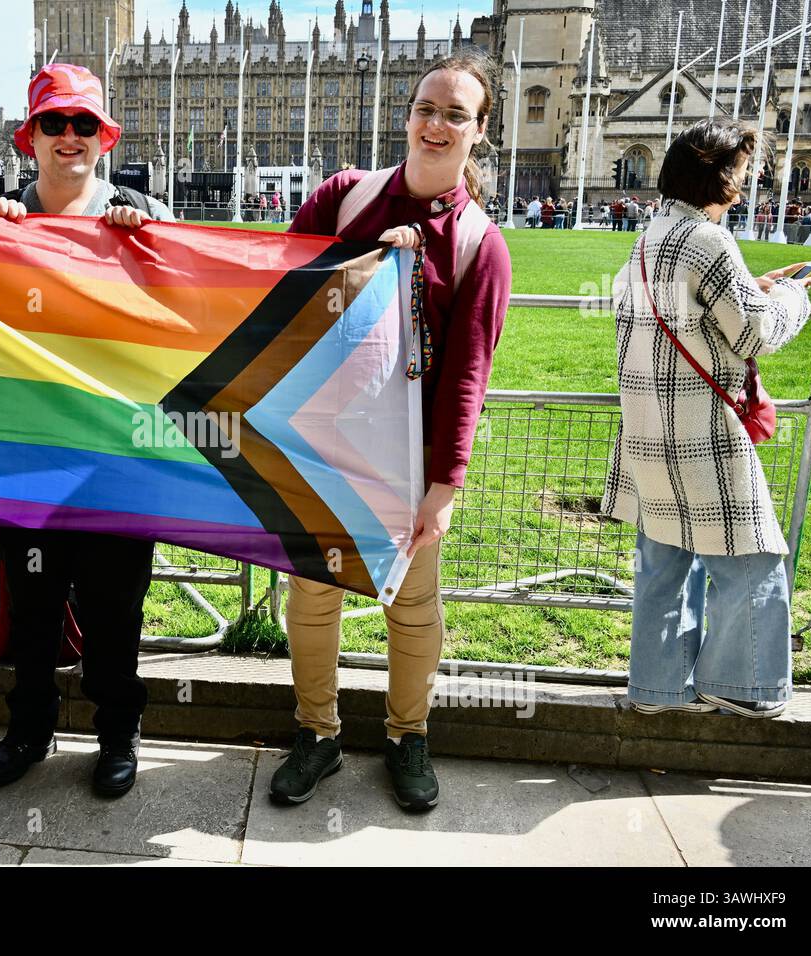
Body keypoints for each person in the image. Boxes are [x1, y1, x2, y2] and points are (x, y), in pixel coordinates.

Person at [268, 52, 512, 812]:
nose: (436, 124)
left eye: (455, 114)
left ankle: (409, 736)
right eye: (426, 108)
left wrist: (445, 488)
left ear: (480, 131)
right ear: (407, 114)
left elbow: (468, 374)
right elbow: (275, 294)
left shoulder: (481, 244)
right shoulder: (345, 199)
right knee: (313, 597)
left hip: (413, 461)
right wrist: (363, 263)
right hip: (323, 444)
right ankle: (318, 733)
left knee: (410, 606)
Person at [0, 64, 173, 799]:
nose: (69, 137)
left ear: (104, 137)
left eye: (83, 124)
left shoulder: (143, 212)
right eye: (54, 123)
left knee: (116, 610)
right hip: (24, 454)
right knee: (31, 606)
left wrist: (148, 246)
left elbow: (189, 317)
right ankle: (29, 728)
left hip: (117, 457)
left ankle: (119, 733)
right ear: (31, 137)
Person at [602, 119, 811, 720]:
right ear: (717, 176)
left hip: (648, 429)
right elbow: (755, 329)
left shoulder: (651, 235)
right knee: (752, 559)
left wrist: (754, 287)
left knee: (664, 562)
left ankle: (657, 688)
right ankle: (743, 685)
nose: (745, 189)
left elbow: (698, 311)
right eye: (742, 175)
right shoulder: (706, 240)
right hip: (702, 430)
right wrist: (791, 298)